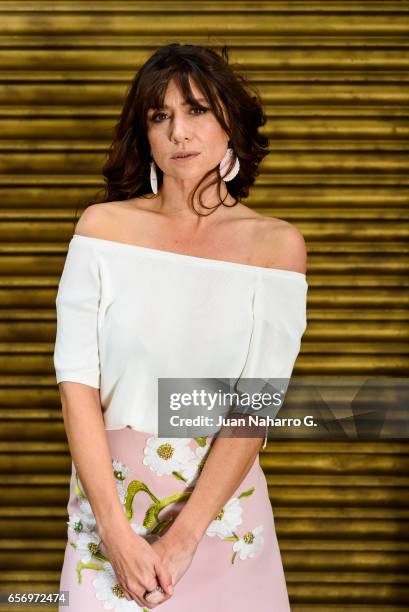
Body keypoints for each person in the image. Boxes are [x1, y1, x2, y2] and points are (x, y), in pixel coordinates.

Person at [53, 43, 308, 611]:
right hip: (108, 513)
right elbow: (76, 387)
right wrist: (116, 536)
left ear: (231, 125)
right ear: (144, 133)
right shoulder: (102, 231)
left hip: (220, 514)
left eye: (197, 111)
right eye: (159, 116)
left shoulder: (275, 246)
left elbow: (255, 408)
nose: (179, 132)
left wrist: (185, 537)